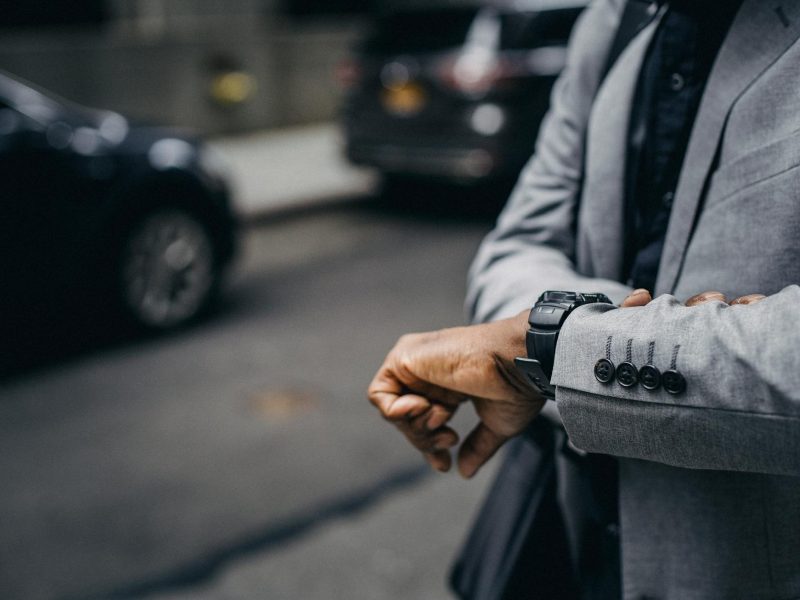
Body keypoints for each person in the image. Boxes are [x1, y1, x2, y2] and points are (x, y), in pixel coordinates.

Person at [368, 0, 800, 598]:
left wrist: (542, 351)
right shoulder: (609, 22)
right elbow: (512, 249)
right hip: (580, 550)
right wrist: (671, 337)